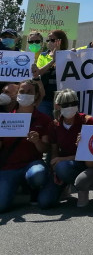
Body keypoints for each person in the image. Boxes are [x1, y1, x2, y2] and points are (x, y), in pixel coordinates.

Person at [39, 89, 93, 208]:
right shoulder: (54, 125)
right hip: (66, 165)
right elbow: (54, 152)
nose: (70, 107)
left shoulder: (88, 121)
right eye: (66, 105)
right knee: (45, 202)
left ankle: (83, 187)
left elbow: (92, 153)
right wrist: (55, 169)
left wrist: (62, 160)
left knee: (62, 166)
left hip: (85, 164)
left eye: (73, 103)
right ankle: (65, 184)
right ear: (58, 106)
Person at [0, 79, 51, 212]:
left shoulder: (43, 119)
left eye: (30, 92)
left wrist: (37, 141)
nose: (25, 94)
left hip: (32, 164)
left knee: (38, 174)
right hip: (10, 167)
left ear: (36, 96)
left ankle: (33, 187)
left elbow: (46, 148)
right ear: (17, 95)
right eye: (22, 91)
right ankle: (16, 186)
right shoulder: (5, 118)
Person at [33, 30, 69, 118]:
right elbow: (38, 72)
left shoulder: (68, 54)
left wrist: (62, 55)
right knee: (44, 122)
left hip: (62, 99)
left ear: (61, 41)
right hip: (46, 98)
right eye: (48, 40)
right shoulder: (43, 55)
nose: (49, 42)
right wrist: (53, 60)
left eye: (52, 40)